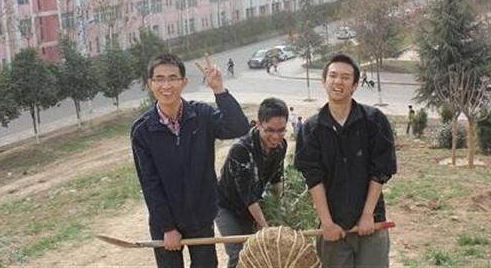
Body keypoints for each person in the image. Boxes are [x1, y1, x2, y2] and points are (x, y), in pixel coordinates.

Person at [131, 53, 250, 268]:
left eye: (173, 78)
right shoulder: (143, 130)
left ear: (184, 82)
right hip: (165, 222)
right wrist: (167, 228)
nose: (166, 85)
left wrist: (219, 90)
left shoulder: (202, 115)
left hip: (201, 218)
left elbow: (238, 127)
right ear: (150, 84)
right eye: (159, 79)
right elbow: (149, 183)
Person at [294, 54, 397, 268]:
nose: (338, 81)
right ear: (323, 81)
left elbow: (381, 170)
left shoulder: (373, 120)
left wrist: (368, 214)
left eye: (345, 77)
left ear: (355, 85)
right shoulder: (311, 129)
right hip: (334, 227)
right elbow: (313, 179)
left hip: (371, 223)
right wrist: (327, 222)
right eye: (333, 76)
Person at [215, 97, 289, 268]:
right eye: (270, 130)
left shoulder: (281, 146)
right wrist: (266, 229)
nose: (276, 136)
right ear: (259, 124)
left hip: (254, 203)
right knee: (239, 253)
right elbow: (248, 197)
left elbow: (277, 179)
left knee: (258, 252)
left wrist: (279, 212)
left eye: (281, 130)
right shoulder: (241, 149)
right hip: (227, 206)